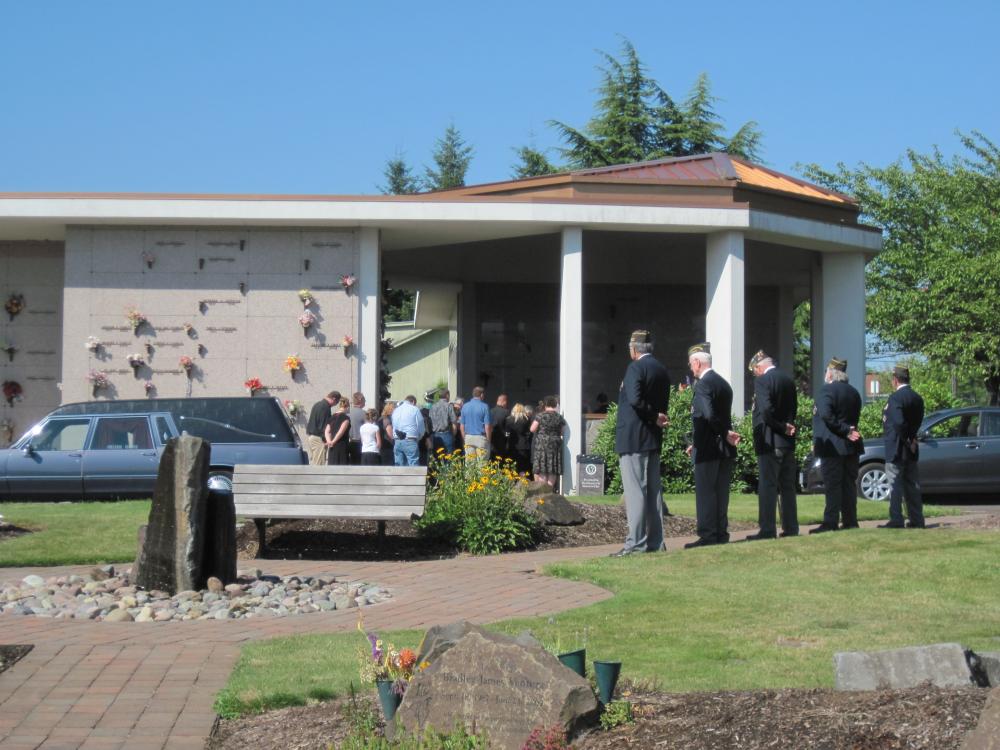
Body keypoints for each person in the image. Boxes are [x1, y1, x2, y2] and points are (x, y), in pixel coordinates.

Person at [611, 330, 671, 557]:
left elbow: (635, 399)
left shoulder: (636, 367)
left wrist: (652, 415)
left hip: (633, 438)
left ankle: (636, 544)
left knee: (635, 491)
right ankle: (656, 542)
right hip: (652, 438)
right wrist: (655, 417)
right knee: (654, 492)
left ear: (634, 349)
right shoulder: (661, 369)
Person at [685, 343, 740, 549]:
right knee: (721, 493)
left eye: (691, 364)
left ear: (697, 363)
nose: (691, 369)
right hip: (723, 449)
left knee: (706, 493)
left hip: (709, 448)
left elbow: (708, 415)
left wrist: (723, 433)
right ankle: (720, 532)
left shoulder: (702, 384)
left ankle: (708, 535)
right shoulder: (723, 383)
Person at [746, 350, 800, 540]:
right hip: (787, 442)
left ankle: (767, 529)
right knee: (787, 487)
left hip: (770, 440)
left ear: (759, 367)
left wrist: (780, 426)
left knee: (768, 486)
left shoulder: (762, 381)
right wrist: (787, 426)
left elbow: (766, 411)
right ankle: (791, 527)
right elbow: (794, 408)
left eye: (755, 371)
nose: (756, 374)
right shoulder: (787, 380)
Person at [810, 357, 864, 533]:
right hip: (851, 446)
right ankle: (850, 520)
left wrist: (844, 430)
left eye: (827, 371)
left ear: (831, 373)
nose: (825, 374)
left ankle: (830, 522)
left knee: (833, 485)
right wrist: (848, 432)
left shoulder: (827, 391)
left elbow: (826, 415)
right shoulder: (854, 392)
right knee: (848, 484)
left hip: (833, 445)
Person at [879, 365, 926, 529]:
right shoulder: (917, 398)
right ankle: (917, 519)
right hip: (911, 448)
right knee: (912, 486)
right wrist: (912, 439)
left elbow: (898, 422)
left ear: (895, 380)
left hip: (897, 448)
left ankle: (896, 519)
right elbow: (917, 422)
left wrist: (906, 438)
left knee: (895, 486)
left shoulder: (896, 398)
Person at [530, 396, 566, 488]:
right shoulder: (559, 417)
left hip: (542, 444)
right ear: (555, 405)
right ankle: (550, 490)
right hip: (555, 444)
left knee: (542, 468)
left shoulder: (540, 415)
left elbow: (532, 429)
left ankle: (543, 491)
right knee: (552, 468)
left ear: (545, 405)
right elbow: (562, 432)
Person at [305, 391, 339, 465]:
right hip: (318, 439)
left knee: (315, 462)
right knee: (319, 465)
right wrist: (327, 440)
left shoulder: (317, 404)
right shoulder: (325, 407)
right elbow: (323, 426)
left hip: (312, 437)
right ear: (333, 399)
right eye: (336, 402)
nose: (335, 405)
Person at [391, 395, 425, 467]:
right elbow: (420, 425)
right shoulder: (415, 409)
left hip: (397, 440)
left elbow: (393, 425)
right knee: (413, 465)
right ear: (413, 402)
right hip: (410, 439)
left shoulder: (396, 410)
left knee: (399, 466)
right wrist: (420, 436)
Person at [460, 386, 492, 459]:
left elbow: (462, 426)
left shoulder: (465, 406)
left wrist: (464, 438)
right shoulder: (485, 407)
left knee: (470, 464)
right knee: (482, 464)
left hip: (468, 437)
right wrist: (488, 439)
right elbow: (487, 426)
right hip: (481, 437)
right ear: (481, 395)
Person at [506, 403, 533, 476]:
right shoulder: (526, 420)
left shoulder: (509, 420)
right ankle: (522, 484)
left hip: (512, 445)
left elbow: (507, 433)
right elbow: (529, 432)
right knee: (522, 466)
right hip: (524, 445)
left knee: (512, 465)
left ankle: (512, 483)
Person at [429, 389, 457, 455]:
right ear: (447, 395)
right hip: (446, 434)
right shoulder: (449, 406)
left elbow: (430, 421)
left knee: (437, 457)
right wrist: (454, 435)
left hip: (435, 435)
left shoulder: (433, 406)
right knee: (449, 457)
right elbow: (454, 422)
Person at [325, 397, 352, 465]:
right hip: (341, 445)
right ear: (347, 407)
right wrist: (333, 441)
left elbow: (327, 431)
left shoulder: (332, 417)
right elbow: (341, 432)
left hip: (332, 447)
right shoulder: (345, 418)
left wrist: (329, 441)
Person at [490, 393, 511, 461]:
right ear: (504, 402)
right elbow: (508, 428)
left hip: (491, 440)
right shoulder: (506, 412)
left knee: (492, 460)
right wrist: (508, 437)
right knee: (501, 462)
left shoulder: (490, 411)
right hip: (502, 441)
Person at [348, 392, 367, 465]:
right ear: (361, 400)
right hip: (360, 443)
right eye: (364, 400)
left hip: (349, 442)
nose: (365, 402)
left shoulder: (348, 412)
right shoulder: (364, 414)